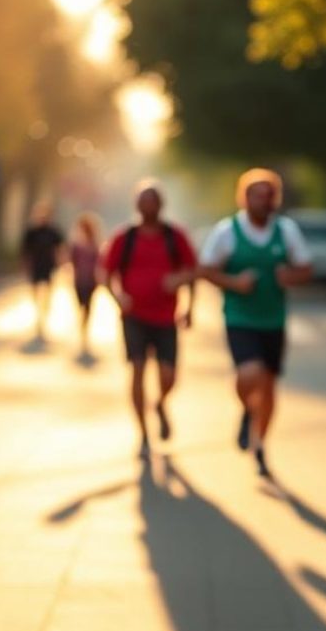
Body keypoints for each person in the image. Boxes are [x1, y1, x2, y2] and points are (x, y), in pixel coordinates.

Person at [199, 169, 314, 478]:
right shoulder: (227, 231)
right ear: (245, 198)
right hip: (239, 316)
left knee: (269, 385)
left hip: (273, 319)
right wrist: (234, 283)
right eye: (258, 195)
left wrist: (289, 276)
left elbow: (305, 268)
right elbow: (207, 270)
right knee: (250, 373)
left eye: (269, 195)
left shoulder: (286, 230)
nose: (265, 201)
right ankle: (247, 410)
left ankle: (260, 442)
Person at [103, 181, 197, 455]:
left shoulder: (174, 236)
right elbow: (107, 275)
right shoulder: (125, 237)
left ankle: (160, 404)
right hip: (134, 316)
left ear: (160, 205)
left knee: (168, 375)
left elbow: (193, 270)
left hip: (167, 317)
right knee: (138, 369)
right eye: (143, 202)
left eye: (152, 202)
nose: (148, 207)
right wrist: (118, 297)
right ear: (136, 206)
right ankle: (143, 432)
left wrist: (187, 300)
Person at [21, 200, 65, 341]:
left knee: (48, 292)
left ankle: (44, 312)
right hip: (36, 267)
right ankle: (38, 314)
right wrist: (26, 266)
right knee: (35, 292)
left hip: (49, 267)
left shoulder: (53, 231)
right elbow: (25, 251)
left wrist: (61, 264)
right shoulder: (31, 232)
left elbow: (60, 248)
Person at [70, 212, 103, 359]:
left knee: (88, 307)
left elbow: (100, 262)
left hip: (91, 281)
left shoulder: (95, 245)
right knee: (81, 306)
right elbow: (72, 262)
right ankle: (82, 330)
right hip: (79, 281)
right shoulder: (77, 245)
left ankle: (85, 332)